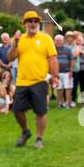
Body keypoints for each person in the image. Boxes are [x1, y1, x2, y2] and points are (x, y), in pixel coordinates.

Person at [9, 10, 58, 148]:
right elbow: (10, 58)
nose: (33, 23)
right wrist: (15, 44)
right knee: (17, 110)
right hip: (22, 81)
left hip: (40, 81)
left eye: (35, 21)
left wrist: (55, 77)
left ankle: (39, 139)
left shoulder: (46, 38)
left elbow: (53, 58)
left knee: (40, 111)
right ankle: (25, 132)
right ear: (25, 24)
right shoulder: (19, 39)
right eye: (29, 21)